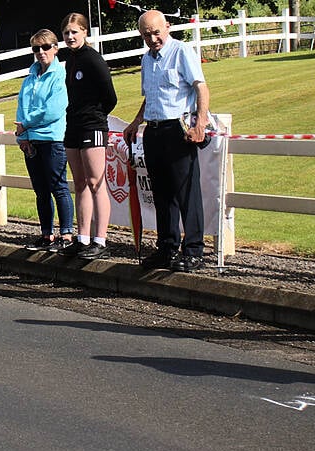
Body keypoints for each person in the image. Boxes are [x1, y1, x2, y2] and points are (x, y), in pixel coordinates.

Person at [123, 10, 211, 272]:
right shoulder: (146, 60)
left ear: (167, 27)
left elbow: (201, 87)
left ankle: (194, 251)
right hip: (154, 130)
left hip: (177, 129)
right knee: (162, 195)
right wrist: (136, 121)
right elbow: (150, 96)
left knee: (187, 194)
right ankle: (167, 248)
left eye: (156, 32)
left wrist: (200, 124)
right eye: (146, 34)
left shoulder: (181, 51)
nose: (152, 38)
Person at [57, 13, 117, 260]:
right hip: (73, 126)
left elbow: (110, 97)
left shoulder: (93, 60)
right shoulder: (70, 60)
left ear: (84, 32)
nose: (70, 37)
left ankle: (100, 241)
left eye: (74, 32)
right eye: (66, 33)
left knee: (96, 182)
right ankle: (82, 238)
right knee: (79, 183)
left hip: (92, 126)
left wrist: (94, 117)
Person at [15, 29, 74, 252]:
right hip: (32, 140)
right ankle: (46, 234)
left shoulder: (60, 75)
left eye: (45, 47)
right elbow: (21, 105)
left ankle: (66, 234)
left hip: (52, 139)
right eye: (36, 48)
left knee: (58, 187)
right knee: (40, 190)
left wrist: (26, 124)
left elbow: (54, 109)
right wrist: (23, 135)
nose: (41, 52)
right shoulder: (30, 78)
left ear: (55, 48)